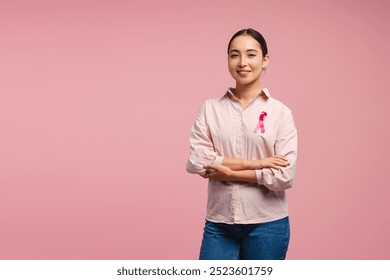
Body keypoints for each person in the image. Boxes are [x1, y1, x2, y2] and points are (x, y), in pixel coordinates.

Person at [186, 28, 298, 260]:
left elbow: (284, 176)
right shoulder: (210, 109)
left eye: (251, 54)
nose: (242, 62)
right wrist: (256, 164)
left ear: (265, 60)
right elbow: (198, 161)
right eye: (234, 54)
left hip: (268, 225)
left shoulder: (280, 113)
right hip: (219, 224)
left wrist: (227, 171)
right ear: (227, 60)